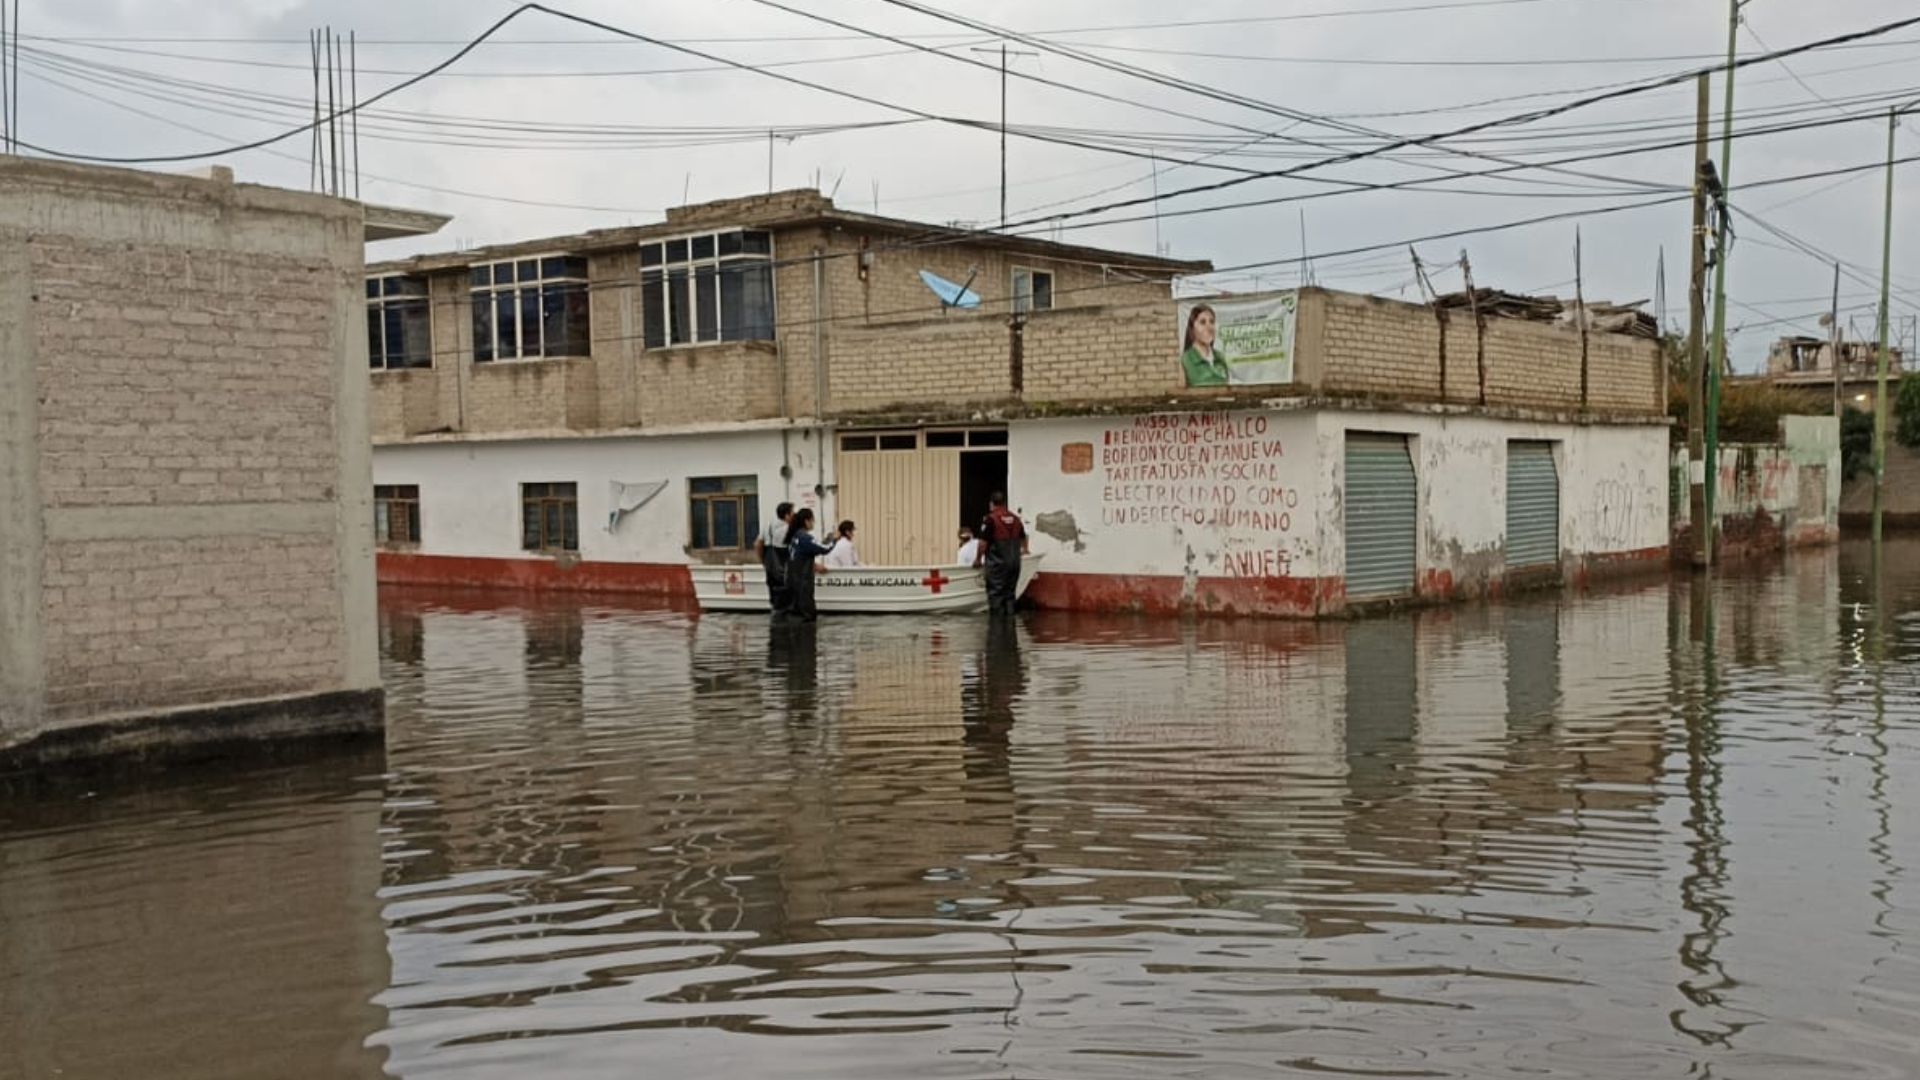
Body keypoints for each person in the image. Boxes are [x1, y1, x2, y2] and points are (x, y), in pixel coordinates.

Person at [974, 492, 1029, 616]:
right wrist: (1025, 550)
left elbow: (982, 543)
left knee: (996, 596)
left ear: (991, 504)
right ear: (1005, 503)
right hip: (1015, 564)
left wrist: (978, 559)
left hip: (998, 566)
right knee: (1010, 595)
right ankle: (1010, 627)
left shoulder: (990, 519)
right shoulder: (1016, 519)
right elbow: (1023, 537)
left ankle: (997, 629)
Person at [782, 508, 836, 622]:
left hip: (790, 582)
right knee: (807, 617)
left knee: (793, 615)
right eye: (812, 520)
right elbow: (824, 548)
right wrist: (834, 539)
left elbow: (797, 557)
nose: (813, 523)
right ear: (807, 521)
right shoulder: (804, 537)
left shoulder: (793, 537)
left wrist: (814, 565)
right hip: (803, 583)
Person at [754, 501, 793, 615]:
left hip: (769, 560)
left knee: (773, 587)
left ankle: (775, 611)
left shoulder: (768, 525)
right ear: (787, 515)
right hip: (783, 561)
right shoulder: (788, 529)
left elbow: (757, 544)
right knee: (785, 587)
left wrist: (763, 560)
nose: (794, 515)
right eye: (792, 513)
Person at [1181, 302, 1228, 388]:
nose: (1209, 327)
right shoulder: (1185, 361)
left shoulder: (1220, 358)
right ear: (1192, 329)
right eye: (1202, 322)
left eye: (1212, 322)